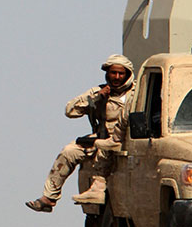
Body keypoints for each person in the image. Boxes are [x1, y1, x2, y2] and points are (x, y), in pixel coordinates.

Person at [26, 54, 135, 212]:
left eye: (121, 73)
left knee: (106, 149)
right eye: (113, 73)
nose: (117, 77)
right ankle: (49, 198)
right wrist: (97, 98)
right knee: (69, 152)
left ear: (127, 74)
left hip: (127, 139)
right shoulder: (98, 91)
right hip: (101, 136)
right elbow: (70, 110)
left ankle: (98, 189)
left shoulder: (136, 93)